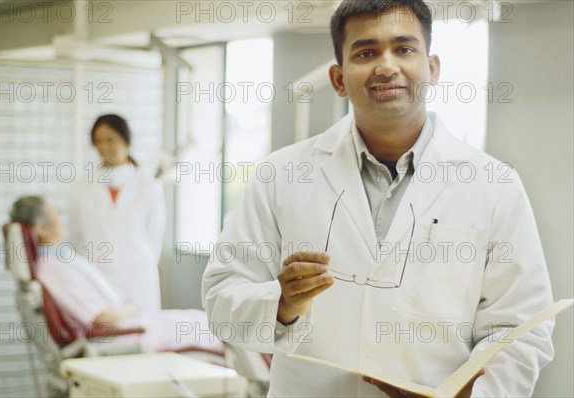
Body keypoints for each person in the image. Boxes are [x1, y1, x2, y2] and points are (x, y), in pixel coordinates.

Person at [202, 1, 554, 397]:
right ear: (338, 78)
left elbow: (520, 328)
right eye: (366, 52)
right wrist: (281, 305)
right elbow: (221, 296)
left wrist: (474, 394)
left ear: (432, 68)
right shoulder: (281, 174)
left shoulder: (494, 184)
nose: (387, 66)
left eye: (404, 49)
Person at [10, 195, 222, 355]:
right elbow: (103, 319)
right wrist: (129, 307)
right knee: (206, 328)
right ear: (42, 229)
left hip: (131, 326)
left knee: (201, 321)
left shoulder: (57, 262)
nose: (62, 220)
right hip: (126, 335)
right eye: (57, 215)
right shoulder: (55, 268)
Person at [69, 114, 166, 312]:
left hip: (138, 278)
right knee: (103, 337)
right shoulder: (82, 186)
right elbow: (76, 236)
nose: (103, 146)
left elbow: (155, 235)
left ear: (126, 140)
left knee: (141, 336)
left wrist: (138, 263)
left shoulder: (148, 184)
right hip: (97, 277)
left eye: (110, 139)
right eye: (98, 141)